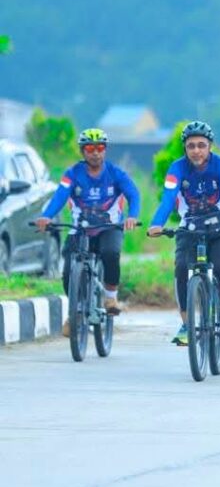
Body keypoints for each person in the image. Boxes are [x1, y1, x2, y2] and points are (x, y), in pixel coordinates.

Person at [146, 121, 220, 345]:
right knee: (182, 268)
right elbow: (168, 199)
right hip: (190, 225)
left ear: (210, 146)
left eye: (201, 145)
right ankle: (186, 323)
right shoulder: (177, 169)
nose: (196, 151)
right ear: (185, 148)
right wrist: (156, 224)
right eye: (191, 146)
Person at [36, 128, 140, 336]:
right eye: (90, 148)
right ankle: (74, 312)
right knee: (68, 271)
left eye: (100, 148)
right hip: (80, 228)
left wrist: (132, 216)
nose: (95, 153)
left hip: (109, 227)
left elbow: (133, 194)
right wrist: (46, 216)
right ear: (83, 151)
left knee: (111, 253)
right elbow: (60, 196)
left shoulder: (115, 173)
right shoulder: (72, 174)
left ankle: (110, 297)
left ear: (105, 150)